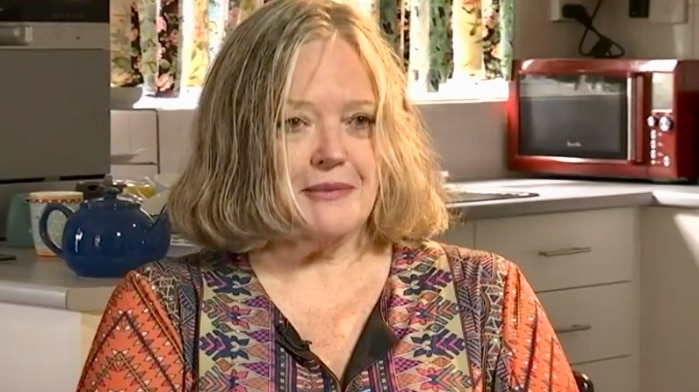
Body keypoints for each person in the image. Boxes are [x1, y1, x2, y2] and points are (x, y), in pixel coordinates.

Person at [78, 0, 578, 390]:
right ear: (240, 143)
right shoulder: (165, 307)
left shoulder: (489, 295)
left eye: (359, 121)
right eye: (294, 123)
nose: (332, 152)